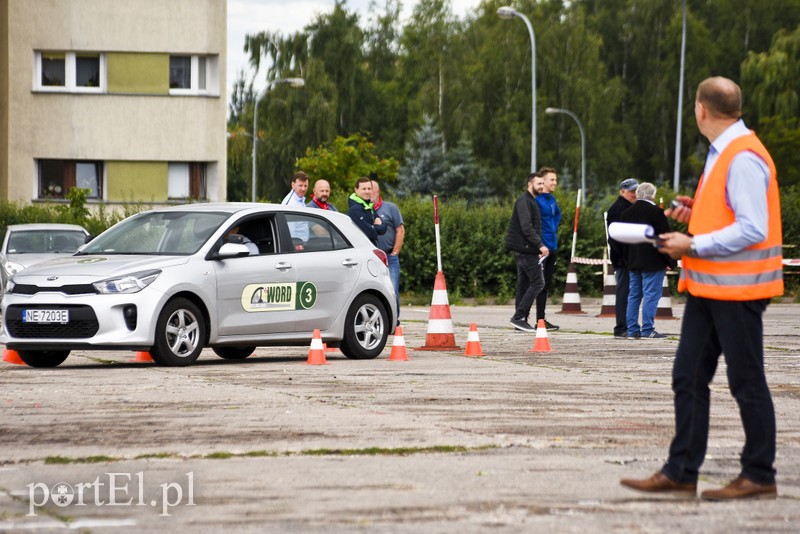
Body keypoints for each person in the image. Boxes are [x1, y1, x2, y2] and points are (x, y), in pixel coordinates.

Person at [620, 77, 782, 501]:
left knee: (746, 381)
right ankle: (681, 470)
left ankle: (760, 473)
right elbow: (732, 214)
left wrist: (692, 243)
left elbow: (752, 228)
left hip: (738, 289)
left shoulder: (742, 156)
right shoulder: (726, 152)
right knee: (687, 377)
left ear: (701, 110)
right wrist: (696, 211)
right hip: (710, 288)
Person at [619, 182, 675, 339]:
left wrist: (627, 260)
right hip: (653, 262)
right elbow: (664, 239)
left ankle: (631, 330)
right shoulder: (657, 213)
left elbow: (622, 240)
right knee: (651, 295)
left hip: (633, 261)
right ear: (653, 195)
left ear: (637, 194)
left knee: (634, 295)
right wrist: (670, 261)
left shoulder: (626, 213)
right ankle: (648, 329)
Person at [506, 172, 549, 332]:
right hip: (525, 249)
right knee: (539, 282)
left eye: (542, 184)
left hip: (525, 248)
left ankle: (520, 321)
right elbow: (526, 227)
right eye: (538, 184)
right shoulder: (524, 201)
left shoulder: (531, 201)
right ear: (529, 184)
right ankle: (518, 317)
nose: (541, 187)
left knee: (523, 285)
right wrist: (540, 246)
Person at [606, 178, 639, 338]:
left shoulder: (628, 207)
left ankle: (628, 326)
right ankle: (621, 327)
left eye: (635, 191)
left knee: (629, 293)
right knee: (624, 292)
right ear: (622, 191)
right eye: (631, 191)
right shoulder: (618, 209)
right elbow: (614, 237)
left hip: (628, 258)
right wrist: (623, 258)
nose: (634, 194)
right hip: (623, 259)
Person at [371, 180, 405, 323]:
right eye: (365, 190)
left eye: (371, 190)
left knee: (393, 290)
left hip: (389, 256)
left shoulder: (390, 208)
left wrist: (395, 252)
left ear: (378, 193)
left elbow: (400, 230)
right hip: (372, 257)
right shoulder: (363, 211)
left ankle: (394, 320)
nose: (368, 193)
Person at [535, 167, 562, 330]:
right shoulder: (536, 200)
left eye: (556, 180)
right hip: (541, 247)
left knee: (545, 284)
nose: (555, 183)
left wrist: (552, 228)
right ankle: (525, 317)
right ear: (543, 181)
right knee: (537, 283)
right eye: (552, 180)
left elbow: (557, 214)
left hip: (552, 246)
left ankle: (541, 319)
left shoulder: (551, 199)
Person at [347, 177, 387, 246]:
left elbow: (384, 228)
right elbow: (370, 234)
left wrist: (373, 227)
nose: (367, 191)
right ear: (356, 190)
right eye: (363, 189)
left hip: (370, 248)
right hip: (361, 250)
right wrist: (376, 227)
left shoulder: (368, 206)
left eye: (369, 189)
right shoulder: (355, 209)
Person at [282, 171, 309, 241]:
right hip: (297, 244)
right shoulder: (291, 203)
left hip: (302, 243)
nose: (303, 189)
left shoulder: (300, 199)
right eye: (300, 185)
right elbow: (290, 231)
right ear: (293, 185)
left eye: (305, 186)